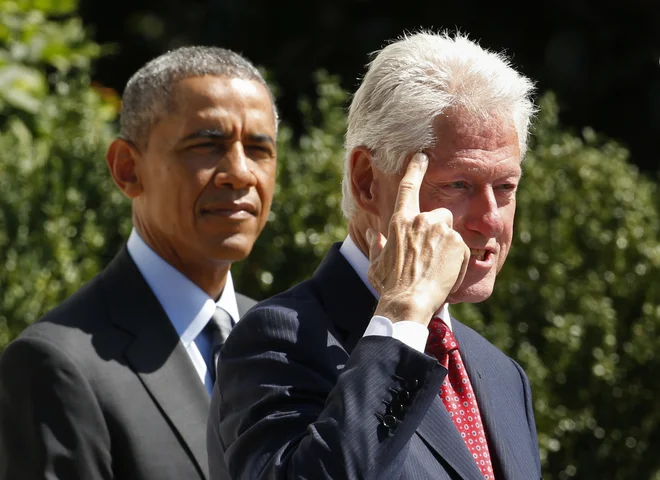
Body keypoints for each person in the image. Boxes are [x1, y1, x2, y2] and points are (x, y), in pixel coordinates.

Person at [208, 30, 542, 480]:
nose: (491, 219)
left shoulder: (503, 377)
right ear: (368, 180)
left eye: (505, 188)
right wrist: (403, 316)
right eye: (458, 185)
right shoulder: (276, 341)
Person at [0, 46, 278, 480]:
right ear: (128, 169)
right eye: (206, 145)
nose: (240, 173)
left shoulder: (282, 338)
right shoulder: (58, 366)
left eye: (259, 149)